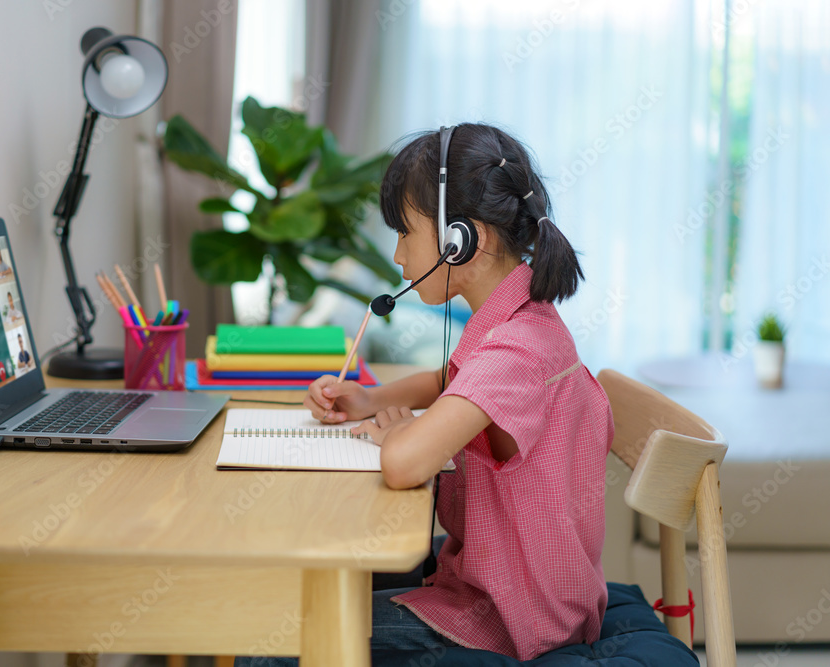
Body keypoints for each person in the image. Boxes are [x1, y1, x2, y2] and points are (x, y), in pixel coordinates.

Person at [236, 124, 614, 666]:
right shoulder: (520, 318)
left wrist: (402, 432)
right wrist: (370, 399)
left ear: (463, 240)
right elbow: (452, 378)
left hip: (513, 614)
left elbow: (404, 464)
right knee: (334, 575)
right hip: (513, 584)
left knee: (270, 640)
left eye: (405, 233)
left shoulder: (518, 350)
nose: (396, 255)